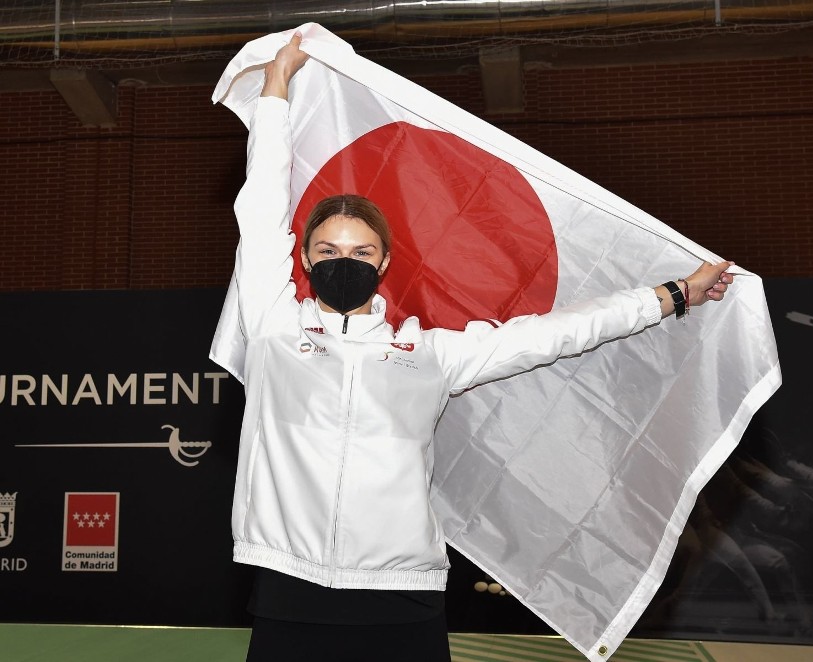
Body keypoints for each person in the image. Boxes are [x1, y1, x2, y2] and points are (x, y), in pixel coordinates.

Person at [227, 33, 735, 662]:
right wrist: (277, 86)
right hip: (289, 591)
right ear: (303, 257)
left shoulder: (431, 355)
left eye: (361, 252)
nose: (343, 263)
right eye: (328, 252)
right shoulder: (276, 329)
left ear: (384, 262)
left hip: (403, 595)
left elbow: (557, 332)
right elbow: (263, 207)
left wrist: (675, 294)